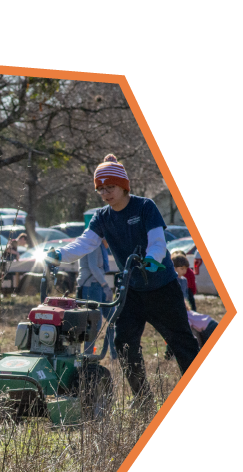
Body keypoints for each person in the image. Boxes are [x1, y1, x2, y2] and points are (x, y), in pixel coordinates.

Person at [48, 154, 198, 409]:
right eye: (101, 189)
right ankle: (143, 399)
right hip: (131, 290)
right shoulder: (102, 217)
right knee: (124, 342)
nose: (106, 193)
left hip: (162, 287)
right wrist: (60, 254)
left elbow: (158, 242)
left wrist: (151, 259)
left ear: (124, 186)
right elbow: (85, 243)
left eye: (111, 187)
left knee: (181, 342)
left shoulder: (144, 207)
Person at [76, 216, 112, 356]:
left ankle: (115, 355)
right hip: (91, 286)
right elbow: (93, 267)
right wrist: (105, 285)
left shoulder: (99, 244)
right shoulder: (93, 243)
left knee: (114, 318)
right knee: (93, 324)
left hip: (99, 285)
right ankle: (87, 356)